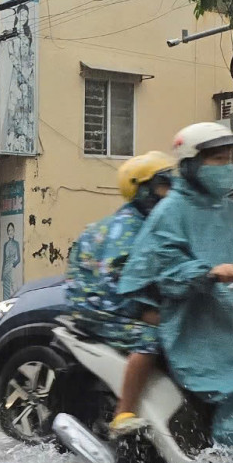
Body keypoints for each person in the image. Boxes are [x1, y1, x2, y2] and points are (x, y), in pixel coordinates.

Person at [117, 122, 233, 450]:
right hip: (198, 322)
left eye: (229, 159)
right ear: (191, 164)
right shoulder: (171, 212)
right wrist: (206, 272)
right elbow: (163, 268)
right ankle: (231, 452)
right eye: (217, 160)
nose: (227, 168)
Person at [66, 151, 173, 437]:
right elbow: (121, 284)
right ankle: (124, 413)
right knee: (150, 337)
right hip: (100, 307)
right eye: (163, 185)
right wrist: (147, 313)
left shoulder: (149, 222)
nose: (169, 192)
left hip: (109, 302)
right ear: (142, 189)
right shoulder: (130, 227)